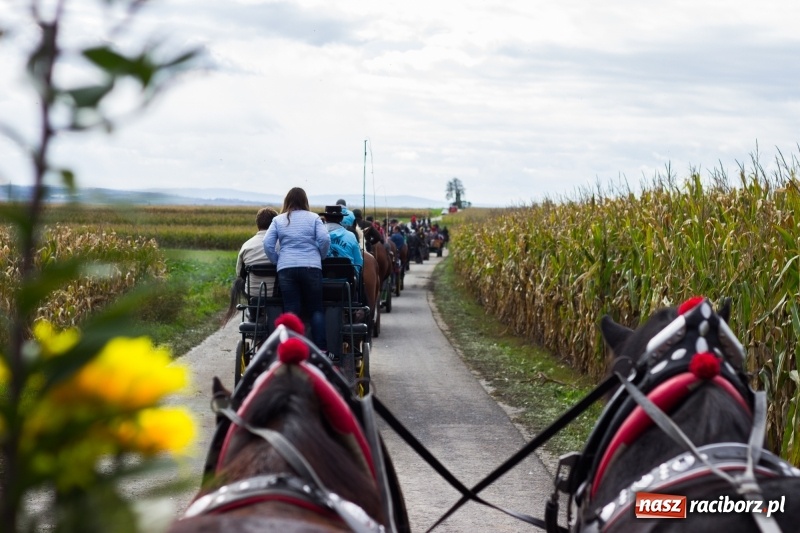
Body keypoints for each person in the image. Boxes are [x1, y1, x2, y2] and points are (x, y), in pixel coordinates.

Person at [264, 187, 331, 352]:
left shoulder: (279, 220)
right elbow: (324, 239)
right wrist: (320, 256)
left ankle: (291, 348)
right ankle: (321, 349)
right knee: (316, 308)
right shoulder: (314, 218)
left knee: (292, 309)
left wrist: (278, 260)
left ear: (287, 201)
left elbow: (267, 243)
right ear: (305, 201)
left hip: (286, 269)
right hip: (311, 266)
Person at [235, 207, 279, 297]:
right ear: (275, 224)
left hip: (252, 294)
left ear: (257, 224)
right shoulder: (282, 245)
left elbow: (239, 273)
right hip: (277, 294)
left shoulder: (246, 245)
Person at [319, 205, 363, 275]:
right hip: (347, 279)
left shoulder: (318, 235)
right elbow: (358, 262)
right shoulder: (351, 236)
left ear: (325, 218)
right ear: (341, 218)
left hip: (321, 279)